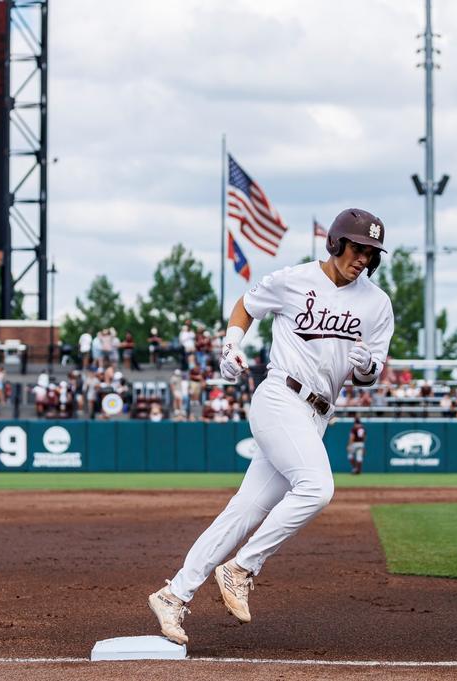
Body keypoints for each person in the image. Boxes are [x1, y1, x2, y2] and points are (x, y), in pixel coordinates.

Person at [148, 208, 395, 645]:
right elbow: (247, 304)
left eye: (372, 253)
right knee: (318, 488)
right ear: (336, 243)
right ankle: (242, 568)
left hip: (317, 414)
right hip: (281, 395)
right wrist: (231, 344)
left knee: (244, 511)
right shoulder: (295, 279)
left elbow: (372, 371)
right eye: (358, 248)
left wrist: (368, 366)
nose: (364, 259)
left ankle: (173, 594)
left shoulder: (377, 303)